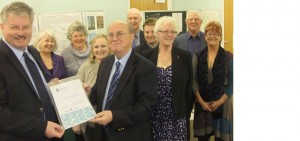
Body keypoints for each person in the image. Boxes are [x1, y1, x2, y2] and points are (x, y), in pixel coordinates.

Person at [0, 2, 64, 141]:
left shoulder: (33, 52)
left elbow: (35, 90)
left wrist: (66, 88)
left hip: (53, 133)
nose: (21, 33)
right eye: (14, 27)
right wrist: (41, 127)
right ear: (2, 27)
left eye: (26, 27)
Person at [87, 20, 157, 141]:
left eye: (119, 34)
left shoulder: (145, 67)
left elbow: (146, 107)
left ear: (131, 37)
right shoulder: (105, 63)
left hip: (130, 135)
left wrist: (114, 116)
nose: (114, 38)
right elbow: (99, 92)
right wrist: (88, 92)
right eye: (110, 35)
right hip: (102, 134)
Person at [141, 16, 193, 141]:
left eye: (173, 31)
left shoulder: (185, 56)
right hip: (153, 117)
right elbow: (141, 89)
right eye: (165, 31)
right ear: (157, 33)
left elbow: (189, 88)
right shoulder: (145, 57)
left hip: (177, 117)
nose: (170, 35)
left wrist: (185, 114)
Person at [193, 21, 233, 141]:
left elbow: (233, 83)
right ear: (205, 36)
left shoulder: (229, 57)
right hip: (202, 104)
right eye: (209, 33)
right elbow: (193, 81)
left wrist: (219, 102)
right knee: (203, 138)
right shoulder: (197, 56)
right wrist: (201, 102)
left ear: (221, 37)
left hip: (223, 104)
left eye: (216, 33)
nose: (212, 36)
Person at [75, 33, 112, 141]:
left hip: (111, 120)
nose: (99, 50)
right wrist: (77, 122)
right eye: (96, 47)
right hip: (91, 120)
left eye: (103, 46)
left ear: (109, 47)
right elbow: (76, 95)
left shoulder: (115, 65)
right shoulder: (85, 67)